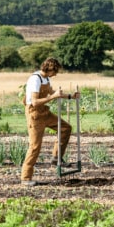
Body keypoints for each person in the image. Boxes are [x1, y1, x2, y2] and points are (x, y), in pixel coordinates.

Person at [21, 57, 80, 186]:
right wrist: (53, 97)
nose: (56, 74)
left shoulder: (46, 78)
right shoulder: (35, 79)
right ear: (50, 69)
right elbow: (35, 102)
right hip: (34, 114)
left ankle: (56, 157)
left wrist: (70, 96)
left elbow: (53, 92)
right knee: (35, 146)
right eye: (55, 71)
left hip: (44, 112)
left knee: (65, 128)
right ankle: (26, 178)